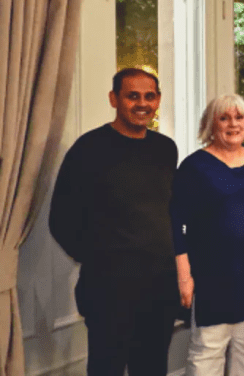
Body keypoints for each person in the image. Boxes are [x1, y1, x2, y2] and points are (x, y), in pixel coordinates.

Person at [49, 68, 180, 376]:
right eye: (132, 96)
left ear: (158, 100)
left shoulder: (165, 149)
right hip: (109, 288)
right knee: (106, 368)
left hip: (160, 287)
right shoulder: (88, 149)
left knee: (151, 368)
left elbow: (173, 211)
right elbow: (61, 218)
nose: (142, 103)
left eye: (149, 96)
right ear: (114, 99)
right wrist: (101, 258)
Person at [172, 94, 244, 375]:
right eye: (224, 118)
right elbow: (175, 223)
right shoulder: (194, 167)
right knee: (206, 357)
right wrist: (184, 276)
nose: (233, 124)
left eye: (239, 117)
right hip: (213, 282)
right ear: (211, 125)